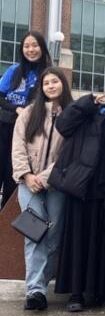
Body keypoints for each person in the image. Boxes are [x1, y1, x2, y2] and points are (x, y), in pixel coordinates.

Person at [50, 76, 105, 312]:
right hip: (84, 188)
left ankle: (104, 293)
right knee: (78, 241)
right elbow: (63, 125)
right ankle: (76, 294)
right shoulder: (93, 113)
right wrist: (88, 102)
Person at [11, 67, 72, 310]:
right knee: (34, 232)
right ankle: (35, 291)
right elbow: (18, 147)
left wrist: (43, 178)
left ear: (62, 85)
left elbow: (68, 154)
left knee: (55, 233)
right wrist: (27, 175)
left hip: (56, 183)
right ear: (42, 87)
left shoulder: (70, 115)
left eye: (55, 81)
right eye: (46, 82)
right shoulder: (28, 114)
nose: (50, 85)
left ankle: (42, 280)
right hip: (27, 183)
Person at [0, 31, 51, 208]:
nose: (31, 49)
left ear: (42, 48)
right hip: (5, 125)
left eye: (35, 45)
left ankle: (6, 218)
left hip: (26, 131)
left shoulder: (47, 73)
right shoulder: (14, 70)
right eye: (27, 46)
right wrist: (16, 109)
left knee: (12, 175)